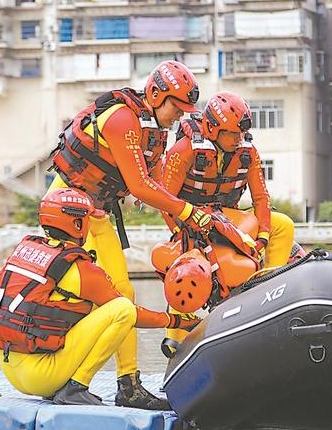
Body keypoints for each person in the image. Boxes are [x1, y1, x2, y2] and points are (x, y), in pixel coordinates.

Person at [46, 60, 214, 409]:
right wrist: (187, 211)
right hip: (68, 211)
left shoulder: (155, 128)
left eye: (186, 111)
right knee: (104, 298)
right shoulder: (123, 119)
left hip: (96, 212)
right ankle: (73, 381)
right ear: (155, 94)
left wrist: (188, 217)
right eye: (176, 107)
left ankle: (128, 385)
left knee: (123, 293)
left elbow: (153, 184)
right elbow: (139, 186)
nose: (180, 117)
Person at [0, 188, 199, 407]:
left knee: (92, 308)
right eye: (87, 218)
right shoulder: (82, 270)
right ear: (77, 223)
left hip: (10, 370)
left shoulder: (23, 254)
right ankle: (76, 387)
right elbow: (133, 314)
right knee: (122, 309)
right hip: (41, 377)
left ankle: (62, 385)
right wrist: (178, 322)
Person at [158, 91, 295, 352]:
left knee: (283, 224)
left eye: (241, 133)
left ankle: (270, 288)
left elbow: (261, 198)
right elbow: (165, 199)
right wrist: (181, 230)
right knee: (190, 262)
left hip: (229, 220)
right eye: (232, 133)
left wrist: (264, 236)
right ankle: (175, 332)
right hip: (192, 222)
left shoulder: (247, 152)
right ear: (211, 128)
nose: (238, 139)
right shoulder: (184, 150)